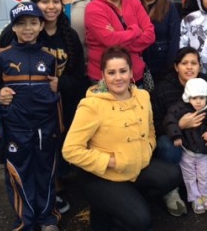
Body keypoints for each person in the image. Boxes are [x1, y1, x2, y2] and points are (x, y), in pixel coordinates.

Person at [62, 46, 182, 231]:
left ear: (131, 72)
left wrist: (147, 149)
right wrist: (110, 161)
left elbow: (150, 129)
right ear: (103, 75)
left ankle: (125, 201)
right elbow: (70, 150)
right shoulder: (91, 105)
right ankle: (108, 210)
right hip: (102, 175)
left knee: (172, 176)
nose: (118, 77)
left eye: (123, 71)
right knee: (141, 221)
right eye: (111, 72)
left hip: (135, 165)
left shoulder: (142, 96)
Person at [0, 0, 89, 214]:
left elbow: (79, 76)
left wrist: (61, 84)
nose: (51, 6)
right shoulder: (12, 37)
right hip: (18, 118)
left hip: (56, 108)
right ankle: (28, 214)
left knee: (50, 158)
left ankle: (50, 205)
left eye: (56, 1)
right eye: (45, 1)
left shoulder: (68, 36)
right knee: (24, 167)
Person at [0, 2, 61, 231]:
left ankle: (47, 219)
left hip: (45, 128)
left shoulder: (49, 59)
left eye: (33, 23)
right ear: (13, 27)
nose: (28, 28)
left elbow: (56, 96)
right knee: (18, 174)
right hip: (16, 129)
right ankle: (25, 222)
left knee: (45, 172)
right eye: (21, 24)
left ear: (41, 25)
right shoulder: (2, 57)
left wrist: (56, 92)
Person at [151, 47, 207, 216]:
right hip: (176, 141)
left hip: (200, 143)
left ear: (200, 66)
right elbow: (154, 124)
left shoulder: (205, 86)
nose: (189, 67)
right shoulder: (163, 88)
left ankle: (196, 186)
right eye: (184, 63)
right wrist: (179, 126)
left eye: (194, 63)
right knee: (166, 145)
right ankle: (171, 189)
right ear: (176, 67)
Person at [85, 0, 155, 84]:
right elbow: (109, 40)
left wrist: (118, 39)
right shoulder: (94, 8)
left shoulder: (135, 3)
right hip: (104, 78)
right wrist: (135, 30)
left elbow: (150, 35)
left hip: (135, 75)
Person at [164, 78, 207, 214]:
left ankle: (205, 195)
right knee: (189, 176)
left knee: (204, 175)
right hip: (187, 151)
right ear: (188, 97)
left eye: (201, 98)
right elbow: (169, 120)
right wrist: (176, 135)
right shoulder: (180, 108)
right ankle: (194, 198)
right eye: (194, 98)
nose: (198, 101)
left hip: (203, 153)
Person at [133, 0, 180, 82]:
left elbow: (174, 38)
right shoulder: (130, 6)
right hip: (135, 66)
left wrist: (169, 66)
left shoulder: (169, 7)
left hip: (162, 67)